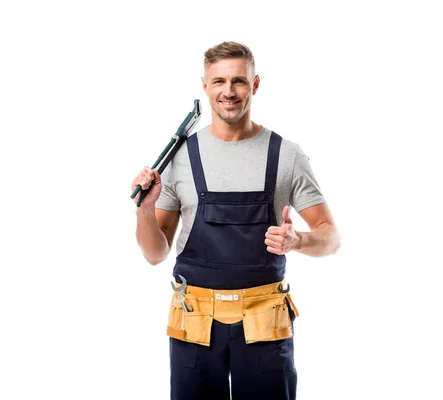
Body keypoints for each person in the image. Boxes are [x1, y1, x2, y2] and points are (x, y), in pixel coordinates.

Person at [131, 41, 341, 399]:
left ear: (255, 84)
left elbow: (331, 237)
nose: (229, 91)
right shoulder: (180, 158)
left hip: (265, 319)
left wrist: (298, 241)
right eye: (219, 82)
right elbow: (154, 254)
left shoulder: (286, 155)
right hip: (194, 319)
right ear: (205, 86)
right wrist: (145, 209)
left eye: (239, 81)